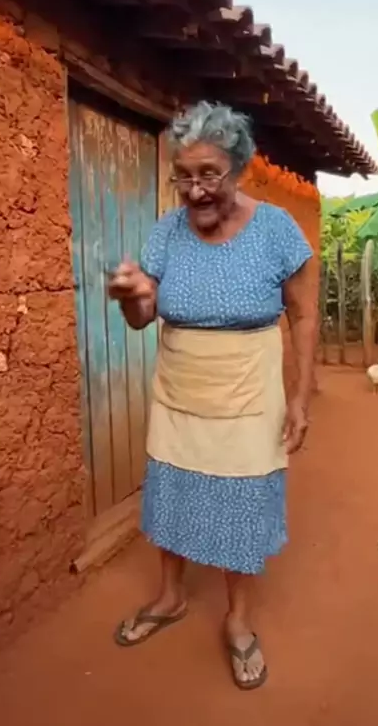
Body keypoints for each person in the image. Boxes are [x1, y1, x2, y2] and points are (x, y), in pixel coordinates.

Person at [108, 101, 317, 690]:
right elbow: (142, 318)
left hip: (250, 392)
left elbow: (303, 316)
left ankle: (238, 620)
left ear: (239, 170)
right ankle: (171, 596)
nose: (195, 190)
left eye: (209, 175)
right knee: (171, 491)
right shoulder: (166, 233)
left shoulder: (277, 230)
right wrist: (130, 297)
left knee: (242, 504)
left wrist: (299, 397)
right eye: (183, 176)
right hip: (180, 390)